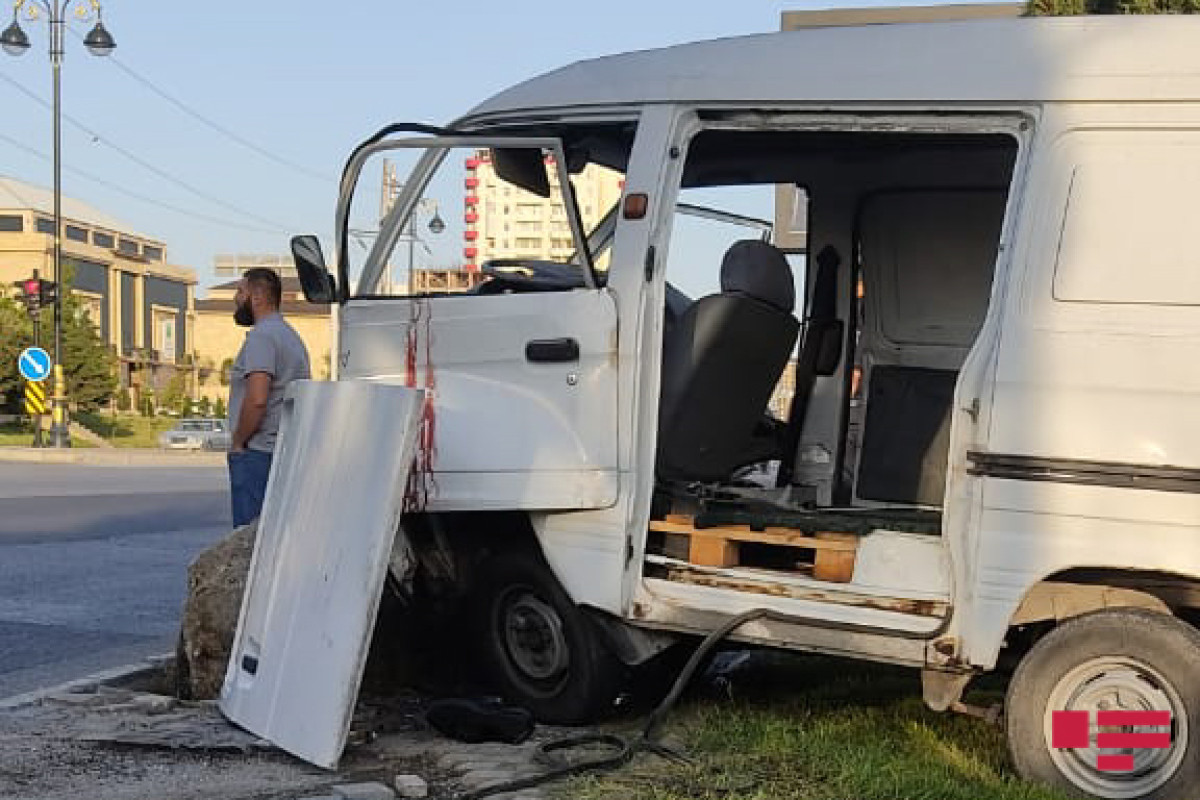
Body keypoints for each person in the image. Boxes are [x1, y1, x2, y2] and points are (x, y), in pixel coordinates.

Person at [226, 267, 311, 527]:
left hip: (258, 454)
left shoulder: (262, 337)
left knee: (249, 539)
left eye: (240, 291)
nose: (236, 298)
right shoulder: (290, 337)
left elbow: (258, 398)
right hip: (283, 451)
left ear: (257, 296)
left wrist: (239, 441)